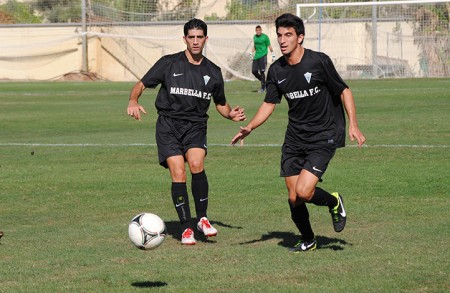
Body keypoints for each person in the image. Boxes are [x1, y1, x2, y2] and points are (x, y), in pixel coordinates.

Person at [232, 13, 366, 252]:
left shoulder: (318, 62)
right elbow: (270, 104)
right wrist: (250, 127)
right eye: (280, 35)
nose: (282, 40)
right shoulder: (276, 70)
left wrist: (353, 124)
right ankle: (309, 240)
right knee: (294, 197)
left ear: (300, 37)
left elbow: (344, 91)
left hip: (324, 135)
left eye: (288, 35)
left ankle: (334, 201)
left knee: (304, 191)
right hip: (295, 138)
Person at [128, 18, 246, 245]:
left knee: (196, 164)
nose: (195, 42)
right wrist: (133, 100)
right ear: (184, 39)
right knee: (178, 172)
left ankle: (202, 219)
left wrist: (231, 115)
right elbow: (141, 85)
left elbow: (220, 103)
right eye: (191, 37)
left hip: (196, 126)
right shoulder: (168, 63)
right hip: (168, 125)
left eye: (199, 37)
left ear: (206, 39)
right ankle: (186, 228)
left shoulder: (213, 71)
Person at [250, 25, 275, 93]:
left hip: (263, 56)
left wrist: (273, 55)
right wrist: (251, 53)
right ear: (256, 31)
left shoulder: (265, 37)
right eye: (257, 30)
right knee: (254, 71)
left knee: (262, 71)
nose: (258, 32)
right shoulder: (255, 37)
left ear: (261, 30)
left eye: (259, 30)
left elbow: (269, 46)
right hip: (256, 56)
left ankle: (263, 87)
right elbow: (255, 46)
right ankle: (264, 82)